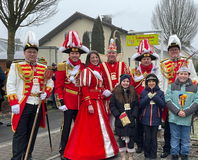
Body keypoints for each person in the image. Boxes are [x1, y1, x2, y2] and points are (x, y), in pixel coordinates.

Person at [6, 31, 54, 160]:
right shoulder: (16, 66)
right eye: (29, 52)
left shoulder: (43, 67)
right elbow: (10, 85)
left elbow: (50, 82)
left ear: (37, 53)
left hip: (37, 104)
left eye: (34, 52)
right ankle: (17, 157)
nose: (32, 54)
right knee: (20, 134)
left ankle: (28, 156)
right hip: (22, 104)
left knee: (32, 133)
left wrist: (46, 93)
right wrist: (14, 103)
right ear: (25, 53)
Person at [64, 50, 119, 160]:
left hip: (99, 102)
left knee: (100, 128)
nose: (95, 59)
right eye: (92, 58)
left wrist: (104, 92)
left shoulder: (99, 71)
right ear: (89, 59)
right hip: (91, 103)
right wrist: (89, 103)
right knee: (88, 130)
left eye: (96, 57)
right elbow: (84, 88)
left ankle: (105, 151)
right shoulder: (86, 71)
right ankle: (88, 152)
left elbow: (99, 87)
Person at [160, 35, 198, 158]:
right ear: (169, 52)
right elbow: (161, 81)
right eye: (171, 50)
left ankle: (183, 151)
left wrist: (190, 89)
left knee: (184, 128)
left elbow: (194, 78)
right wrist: (164, 95)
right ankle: (168, 149)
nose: (174, 52)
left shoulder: (187, 61)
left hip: (185, 99)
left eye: (176, 50)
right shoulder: (164, 64)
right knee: (169, 126)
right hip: (169, 99)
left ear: (179, 50)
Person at [55, 30, 89, 160]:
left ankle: (80, 149)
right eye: (72, 53)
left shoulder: (83, 67)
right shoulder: (62, 67)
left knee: (80, 128)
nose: (74, 55)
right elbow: (58, 86)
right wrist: (61, 102)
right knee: (66, 128)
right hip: (68, 102)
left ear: (79, 55)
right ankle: (63, 150)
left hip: (80, 102)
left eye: (76, 53)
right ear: (69, 54)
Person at [131, 39, 160, 153]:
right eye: (144, 58)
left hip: (153, 102)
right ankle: (140, 145)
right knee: (138, 125)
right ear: (140, 60)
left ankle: (151, 146)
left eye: (148, 58)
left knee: (150, 126)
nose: (146, 60)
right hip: (139, 102)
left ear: (151, 59)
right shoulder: (134, 72)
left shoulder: (157, 71)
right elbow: (132, 87)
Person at [165, 66, 198, 160]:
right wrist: (177, 111)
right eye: (181, 73)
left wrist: (187, 111)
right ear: (178, 74)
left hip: (187, 118)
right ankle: (175, 154)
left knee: (185, 138)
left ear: (189, 75)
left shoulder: (194, 88)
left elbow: (197, 101)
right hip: (174, 118)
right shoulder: (171, 86)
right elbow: (168, 100)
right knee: (175, 137)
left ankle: (184, 155)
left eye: (185, 74)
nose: (183, 76)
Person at [100, 38, 130, 130]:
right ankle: (110, 140)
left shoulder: (123, 65)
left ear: (116, 54)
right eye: (109, 53)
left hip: (121, 98)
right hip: (107, 99)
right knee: (107, 121)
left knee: (123, 117)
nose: (111, 55)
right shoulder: (101, 66)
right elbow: (98, 82)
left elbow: (129, 79)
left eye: (113, 53)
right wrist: (104, 90)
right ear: (107, 54)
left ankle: (123, 138)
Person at [110, 74, 139, 160]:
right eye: (124, 81)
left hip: (130, 118)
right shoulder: (116, 92)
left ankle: (130, 156)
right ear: (121, 82)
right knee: (121, 138)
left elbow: (136, 105)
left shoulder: (133, 92)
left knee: (130, 138)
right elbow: (112, 105)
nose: (125, 83)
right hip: (120, 118)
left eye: (127, 81)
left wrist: (134, 115)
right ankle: (123, 156)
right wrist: (117, 114)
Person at [140, 73, 165, 159]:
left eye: (153, 81)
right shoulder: (144, 92)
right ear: (147, 83)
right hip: (145, 119)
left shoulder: (160, 92)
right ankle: (146, 154)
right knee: (147, 137)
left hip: (156, 119)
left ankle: (153, 155)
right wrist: (148, 96)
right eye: (149, 81)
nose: (151, 83)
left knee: (154, 138)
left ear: (156, 82)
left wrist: (154, 97)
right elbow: (141, 104)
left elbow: (162, 104)